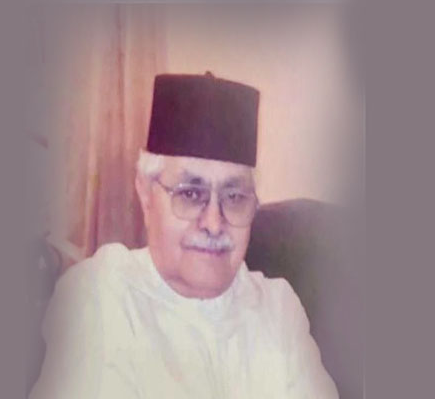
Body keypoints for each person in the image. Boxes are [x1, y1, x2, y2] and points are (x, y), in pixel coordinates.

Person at [29, 73, 339, 398]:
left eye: (234, 197)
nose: (214, 224)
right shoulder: (99, 297)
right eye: (190, 194)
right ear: (146, 193)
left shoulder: (278, 307)